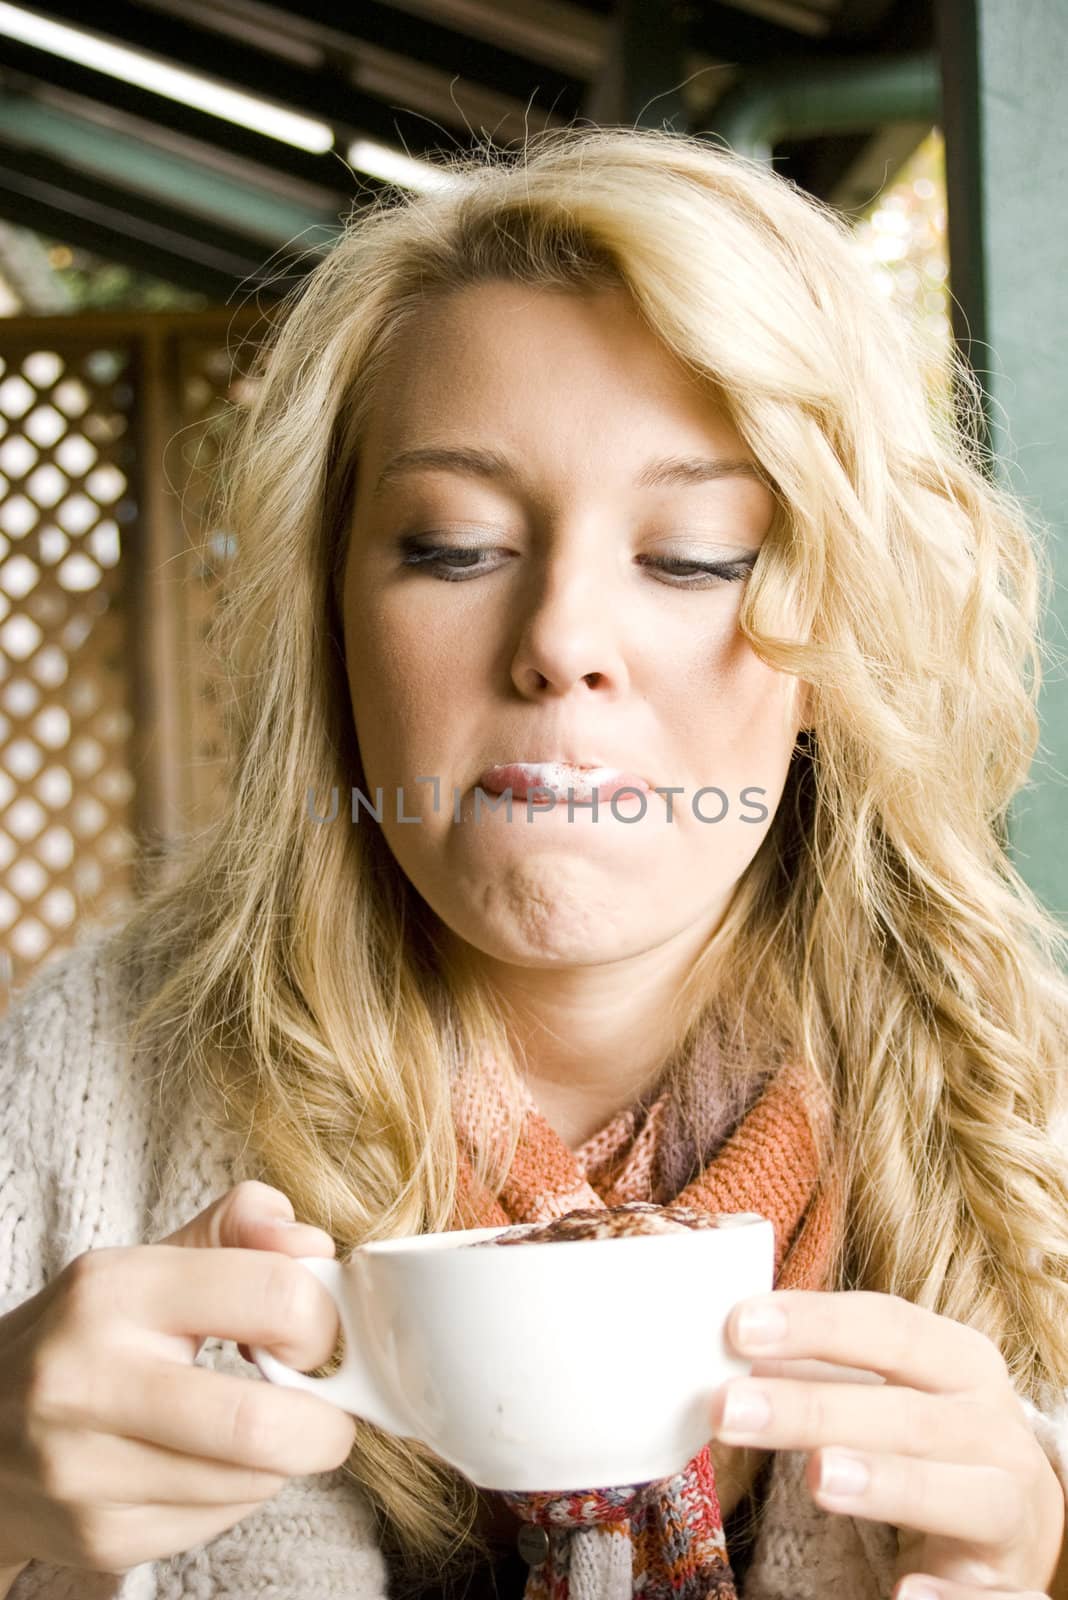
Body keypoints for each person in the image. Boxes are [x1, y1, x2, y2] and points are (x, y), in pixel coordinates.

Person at [2, 122, 1068, 1600]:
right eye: (450, 545)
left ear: (837, 640)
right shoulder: (80, 1076)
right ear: (332, 616)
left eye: (692, 555)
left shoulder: (1033, 1099)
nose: (562, 641)